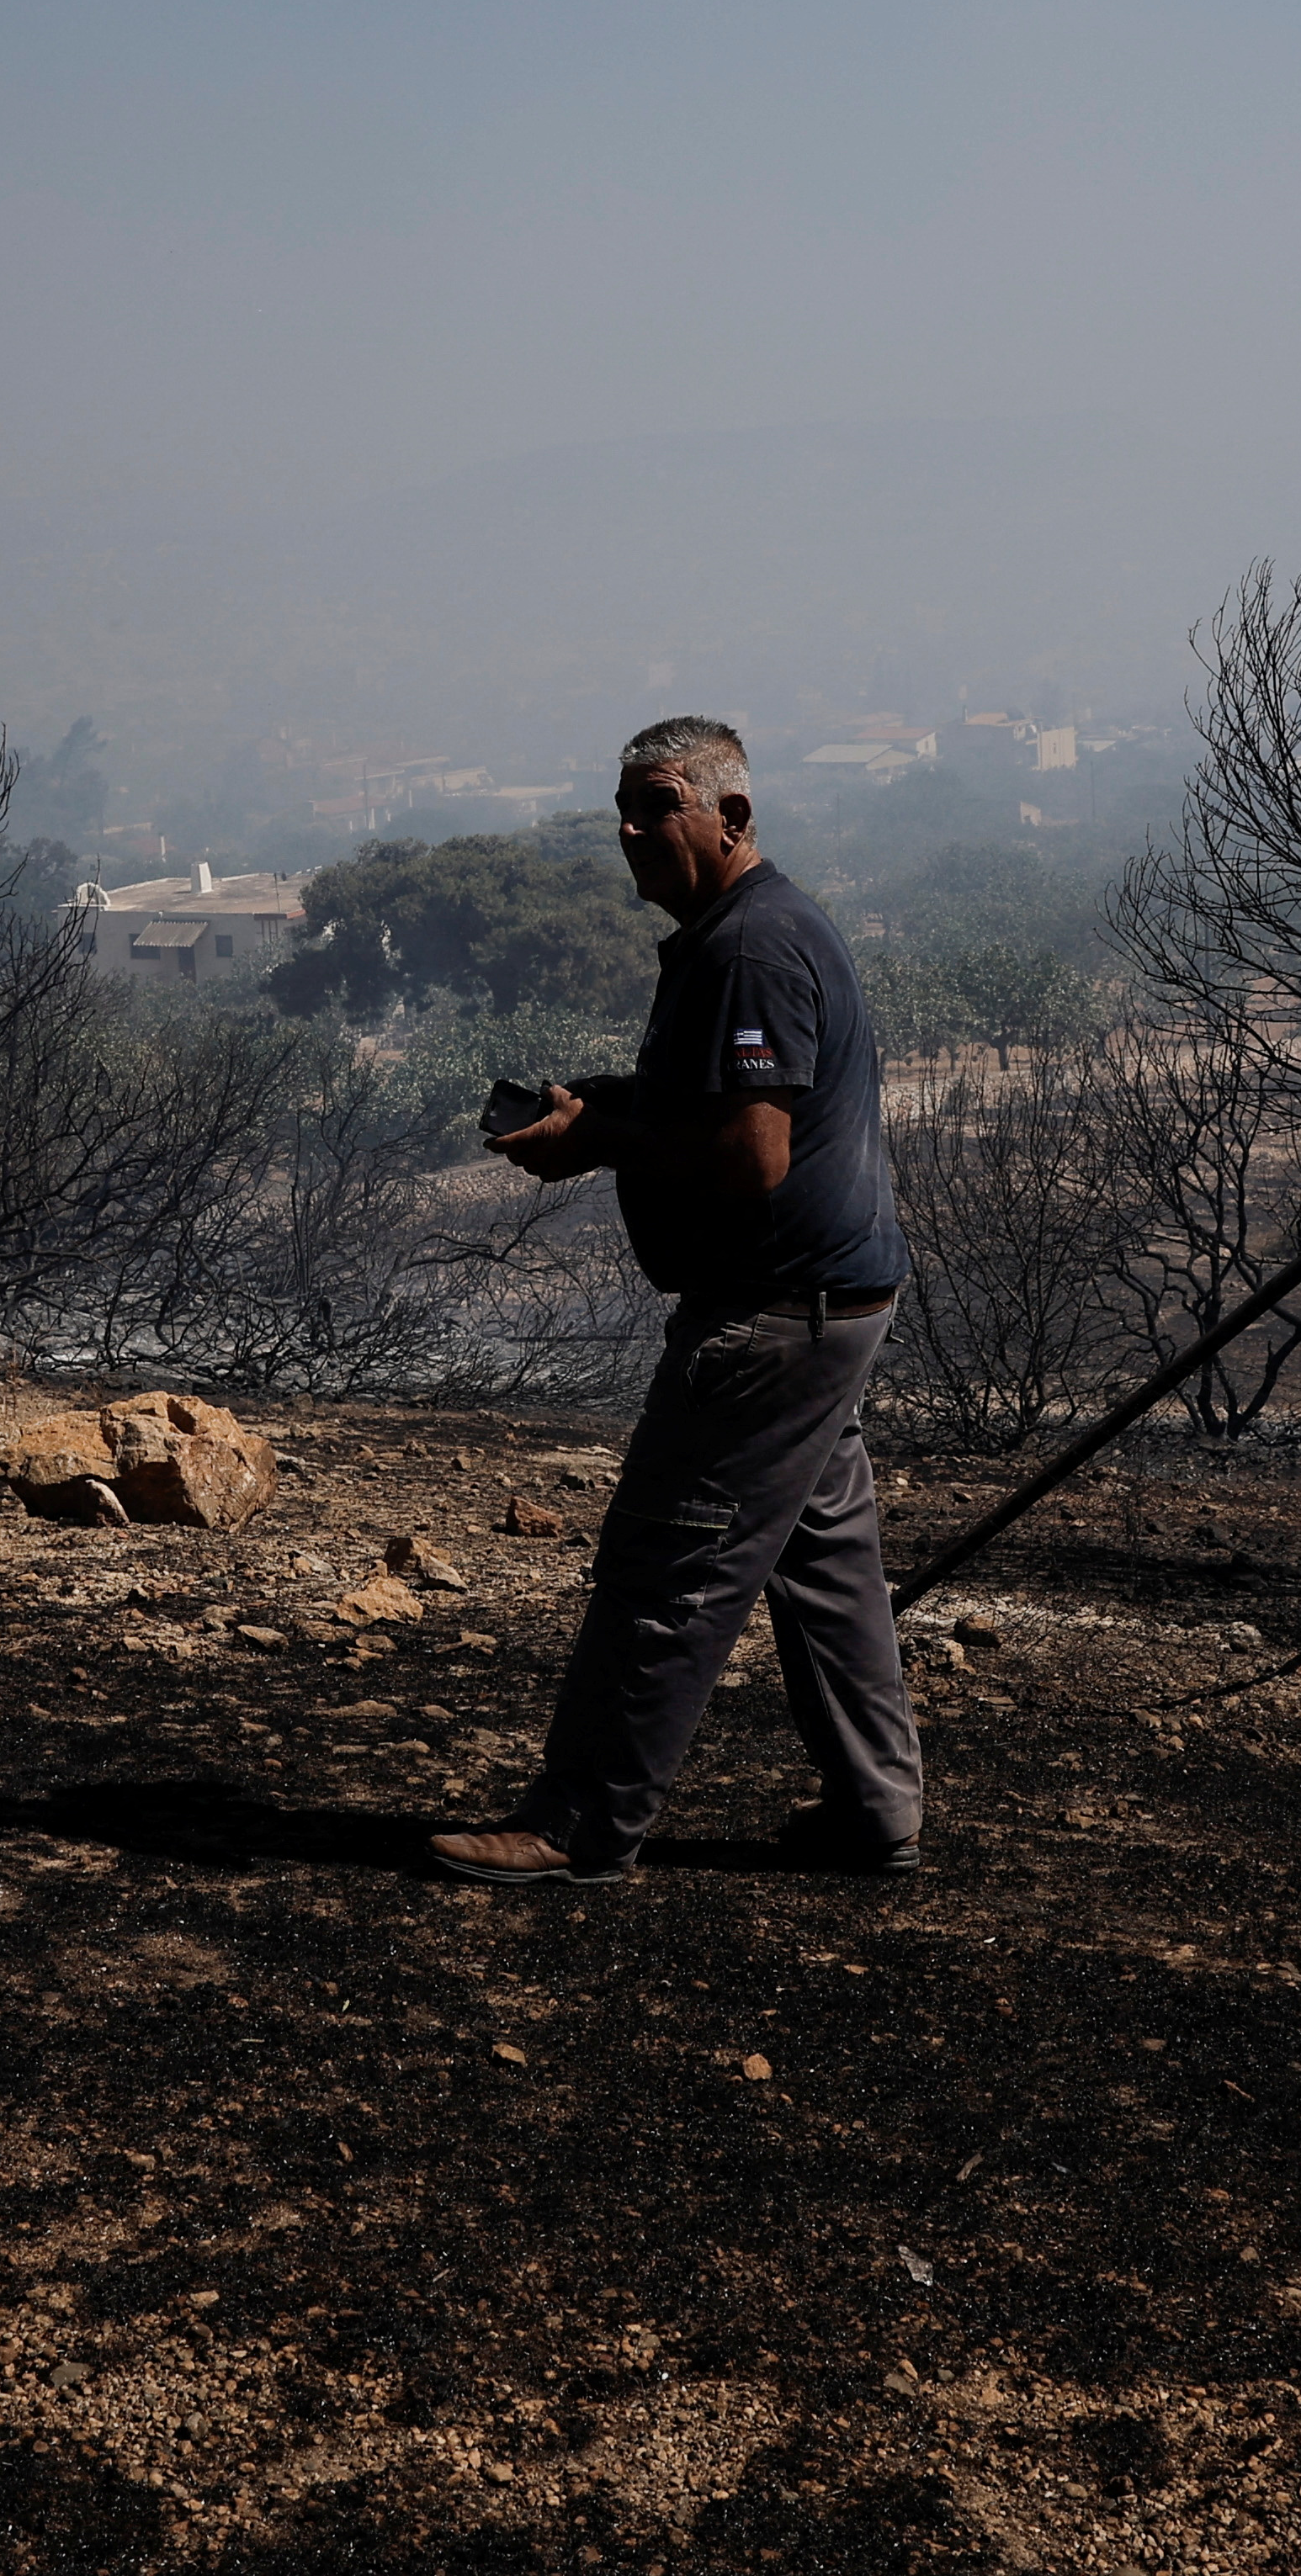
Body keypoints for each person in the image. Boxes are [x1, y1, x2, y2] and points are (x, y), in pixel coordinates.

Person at [429, 717, 921, 1884]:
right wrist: (609, 1108)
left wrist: (598, 1139)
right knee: (827, 1568)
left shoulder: (749, 948)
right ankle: (877, 1815)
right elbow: (723, 1113)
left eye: (659, 805)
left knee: (667, 1563)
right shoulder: (743, 933)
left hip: (772, 1317)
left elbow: (754, 1156)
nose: (632, 830)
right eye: (626, 809)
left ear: (732, 818)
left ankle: (582, 1826)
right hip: (828, 1305)